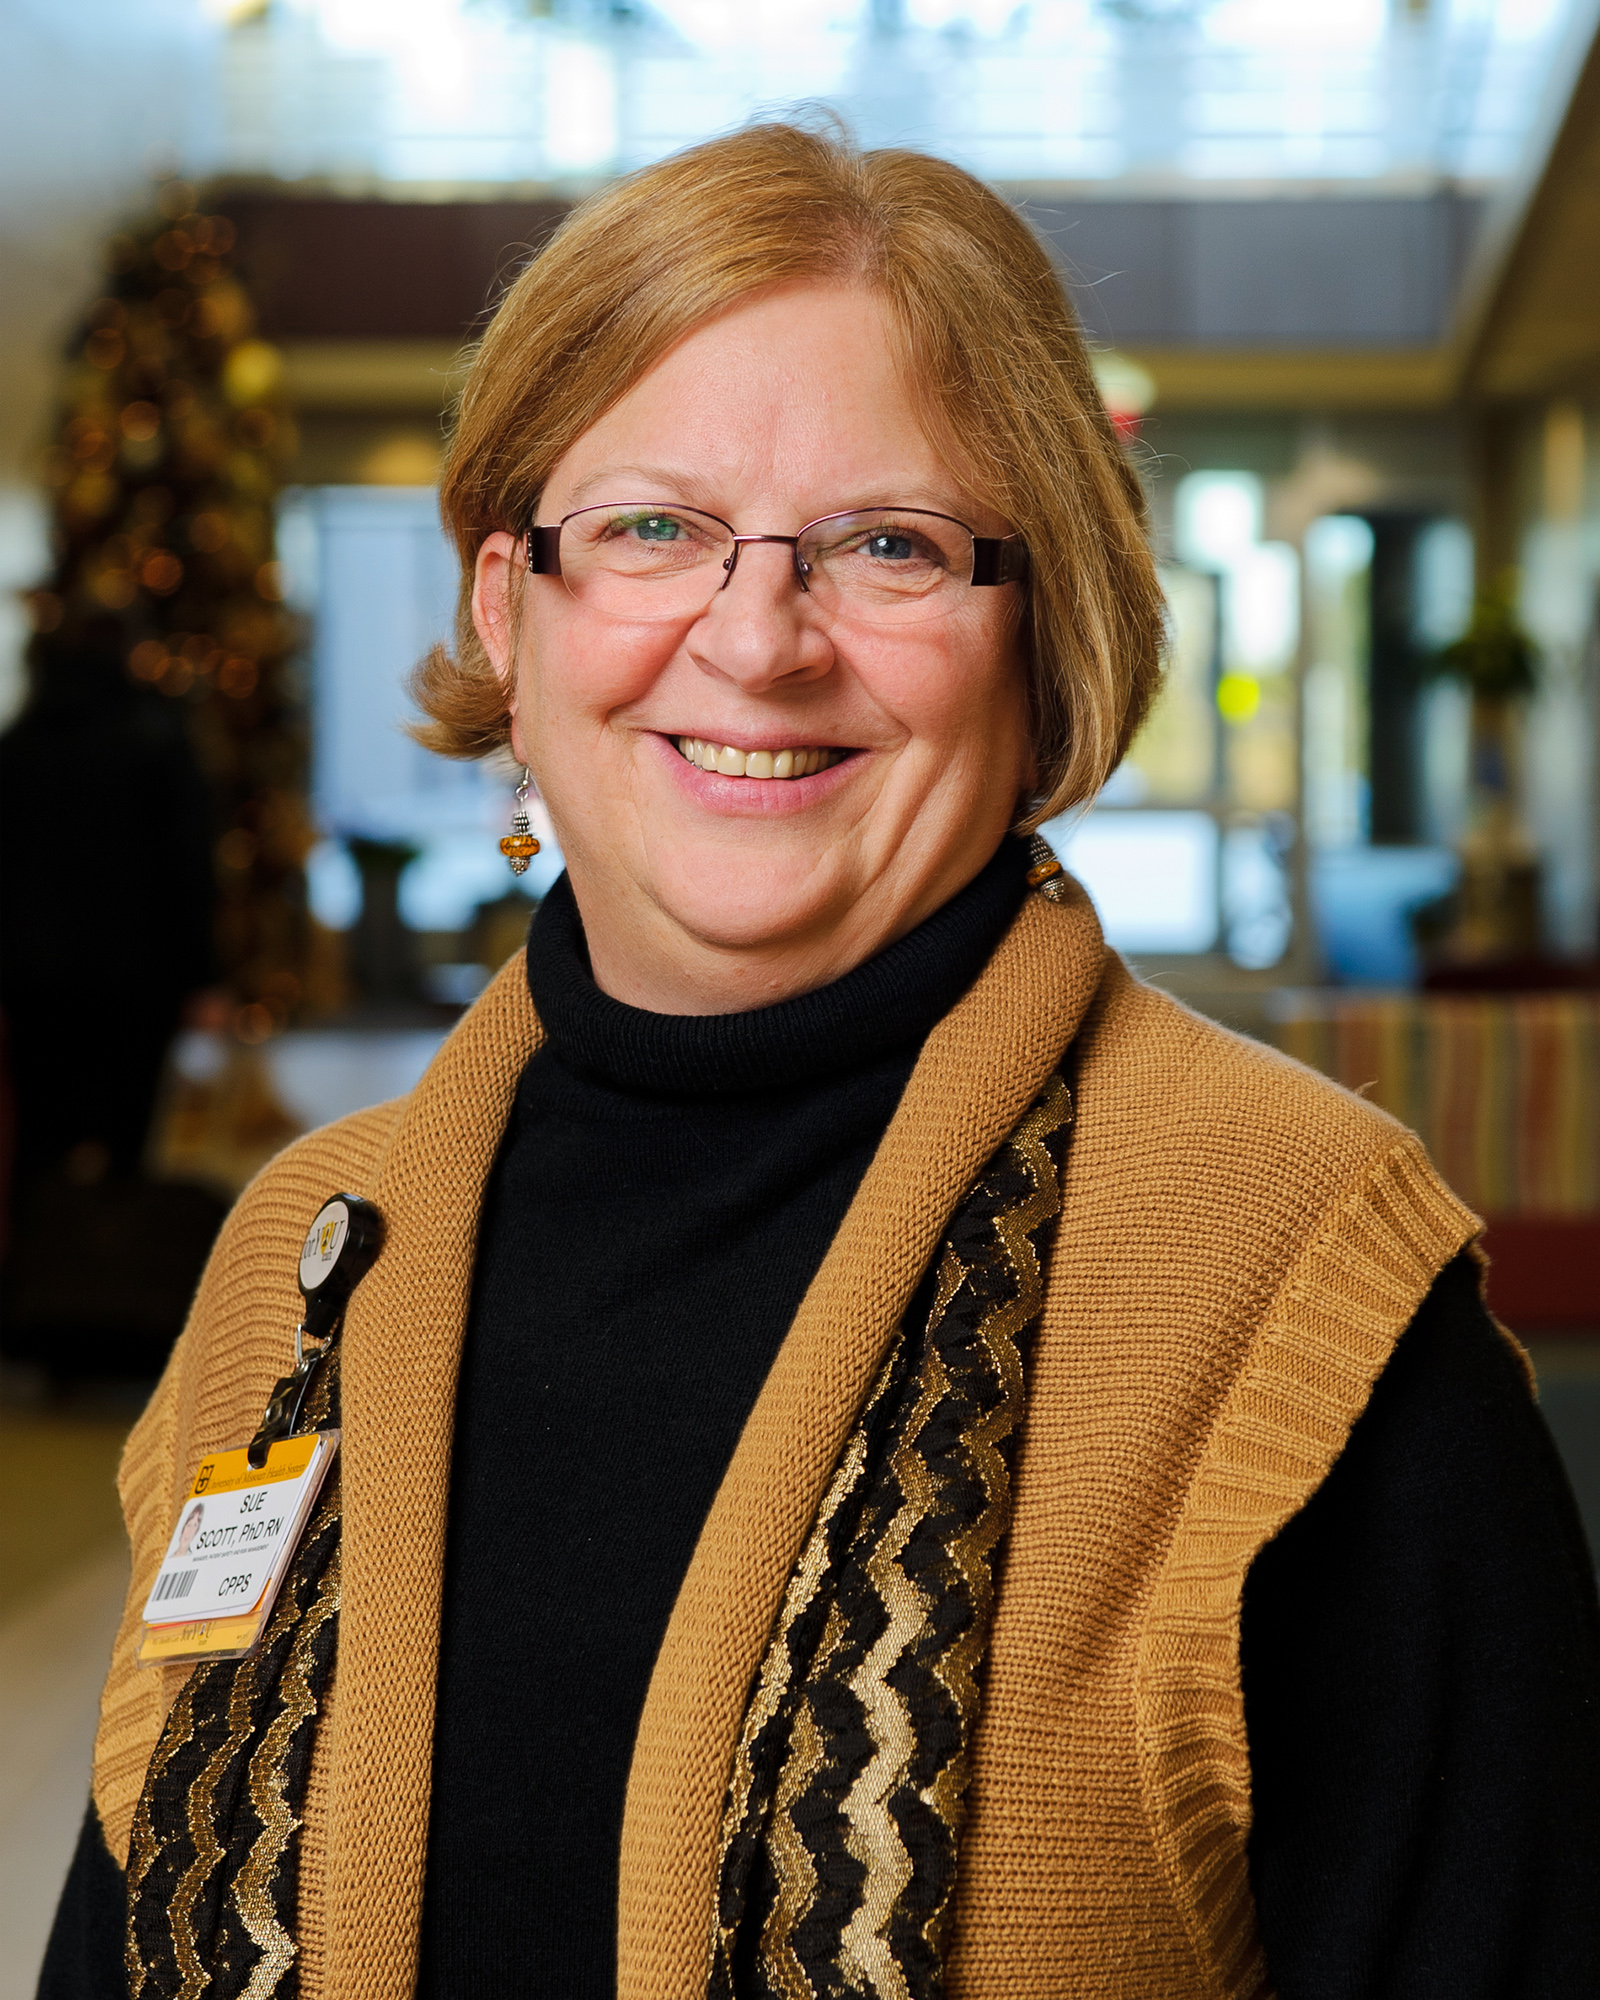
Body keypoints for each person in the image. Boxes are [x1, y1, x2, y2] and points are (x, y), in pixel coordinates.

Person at [42, 124, 1599, 2000]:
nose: (758, 640)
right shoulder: (299, 1254)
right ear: (505, 609)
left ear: (1045, 633)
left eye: (890, 545)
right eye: (651, 528)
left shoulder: (1295, 1277)